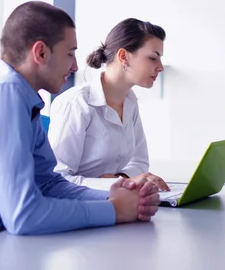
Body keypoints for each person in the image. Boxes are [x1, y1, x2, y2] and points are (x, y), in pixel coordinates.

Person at [0, 2, 160, 257]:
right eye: (69, 53)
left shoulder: (23, 98)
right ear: (41, 53)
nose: (76, 66)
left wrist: (115, 195)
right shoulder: (4, 94)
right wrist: (115, 211)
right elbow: (23, 214)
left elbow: (48, 184)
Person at [48, 18, 169, 191]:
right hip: (80, 208)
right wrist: (114, 183)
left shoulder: (130, 102)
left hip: (114, 202)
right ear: (123, 57)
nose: (160, 67)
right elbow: (58, 179)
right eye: (152, 58)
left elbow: (140, 161)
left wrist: (122, 179)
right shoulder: (77, 104)